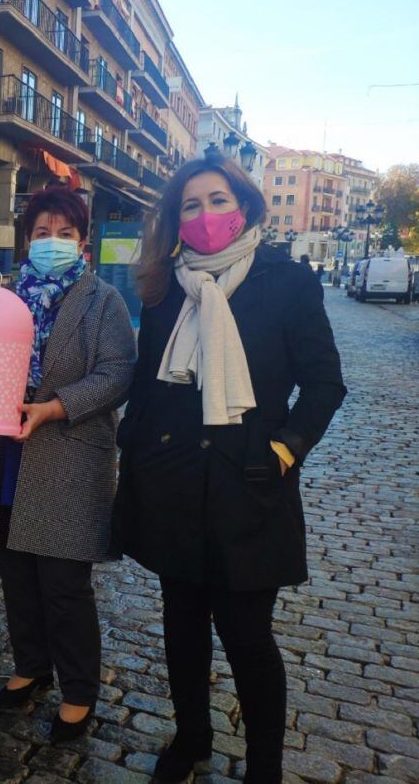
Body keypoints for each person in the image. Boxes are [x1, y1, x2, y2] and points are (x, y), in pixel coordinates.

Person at [111, 156, 345, 783]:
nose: (205, 214)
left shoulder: (288, 282)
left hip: (252, 483)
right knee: (181, 628)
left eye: (217, 200)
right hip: (173, 480)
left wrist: (287, 448)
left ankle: (263, 767)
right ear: (176, 219)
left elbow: (325, 385)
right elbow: (149, 383)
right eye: (190, 205)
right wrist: (130, 460)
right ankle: (191, 740)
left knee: (247, 638)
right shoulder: (164, 286)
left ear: (243, 205)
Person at [0, 187, 136, 741]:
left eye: (64, 234)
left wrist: (55, 408)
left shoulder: (102, 300)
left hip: (67, 458)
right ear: (26, 239)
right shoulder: (3, 299)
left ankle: (79, 690)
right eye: (41, 233)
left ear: (83, 241)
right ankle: (30, 666)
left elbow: (117, 375)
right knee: (15, 576)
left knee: (63, 584)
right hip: (4, 453)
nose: (51, 243)